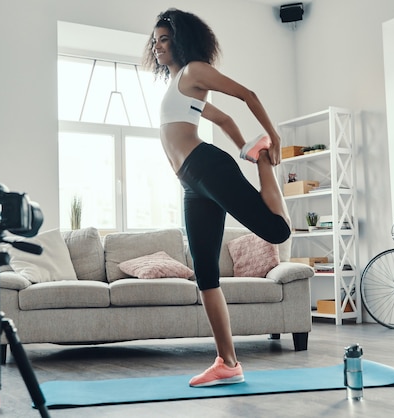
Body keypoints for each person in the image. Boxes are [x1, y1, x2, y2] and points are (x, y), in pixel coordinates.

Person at [144, 8, 291, 388]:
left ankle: (264, 165)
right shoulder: (179, 82)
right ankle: (227, 362)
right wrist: (244, 144)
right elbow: (223, 120)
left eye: (165, 39)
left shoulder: (194, 71)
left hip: (205, 166)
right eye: (155, 40)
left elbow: (247, 95)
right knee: (206, 275)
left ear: (180, 40)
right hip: (191, 182)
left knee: (276, 232)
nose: (158, 46)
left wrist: (270, 139)